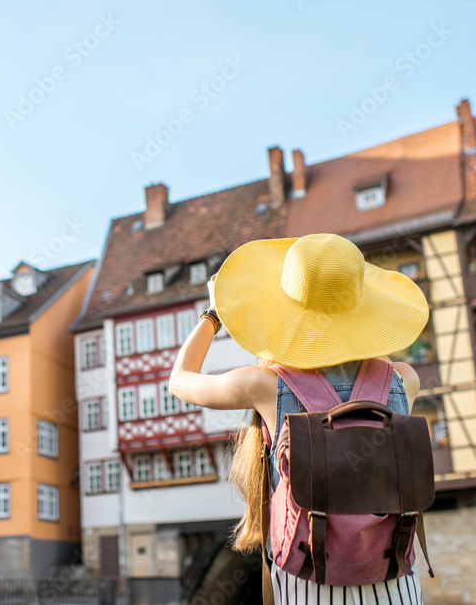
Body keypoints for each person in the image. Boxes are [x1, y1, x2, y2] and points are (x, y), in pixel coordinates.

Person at [169, 233, 430, 604]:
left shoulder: (264, 384)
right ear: (364, 307)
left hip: (306, 577)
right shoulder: (403, 380)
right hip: (394, 576)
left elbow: (179, 381)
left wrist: (214, 314)